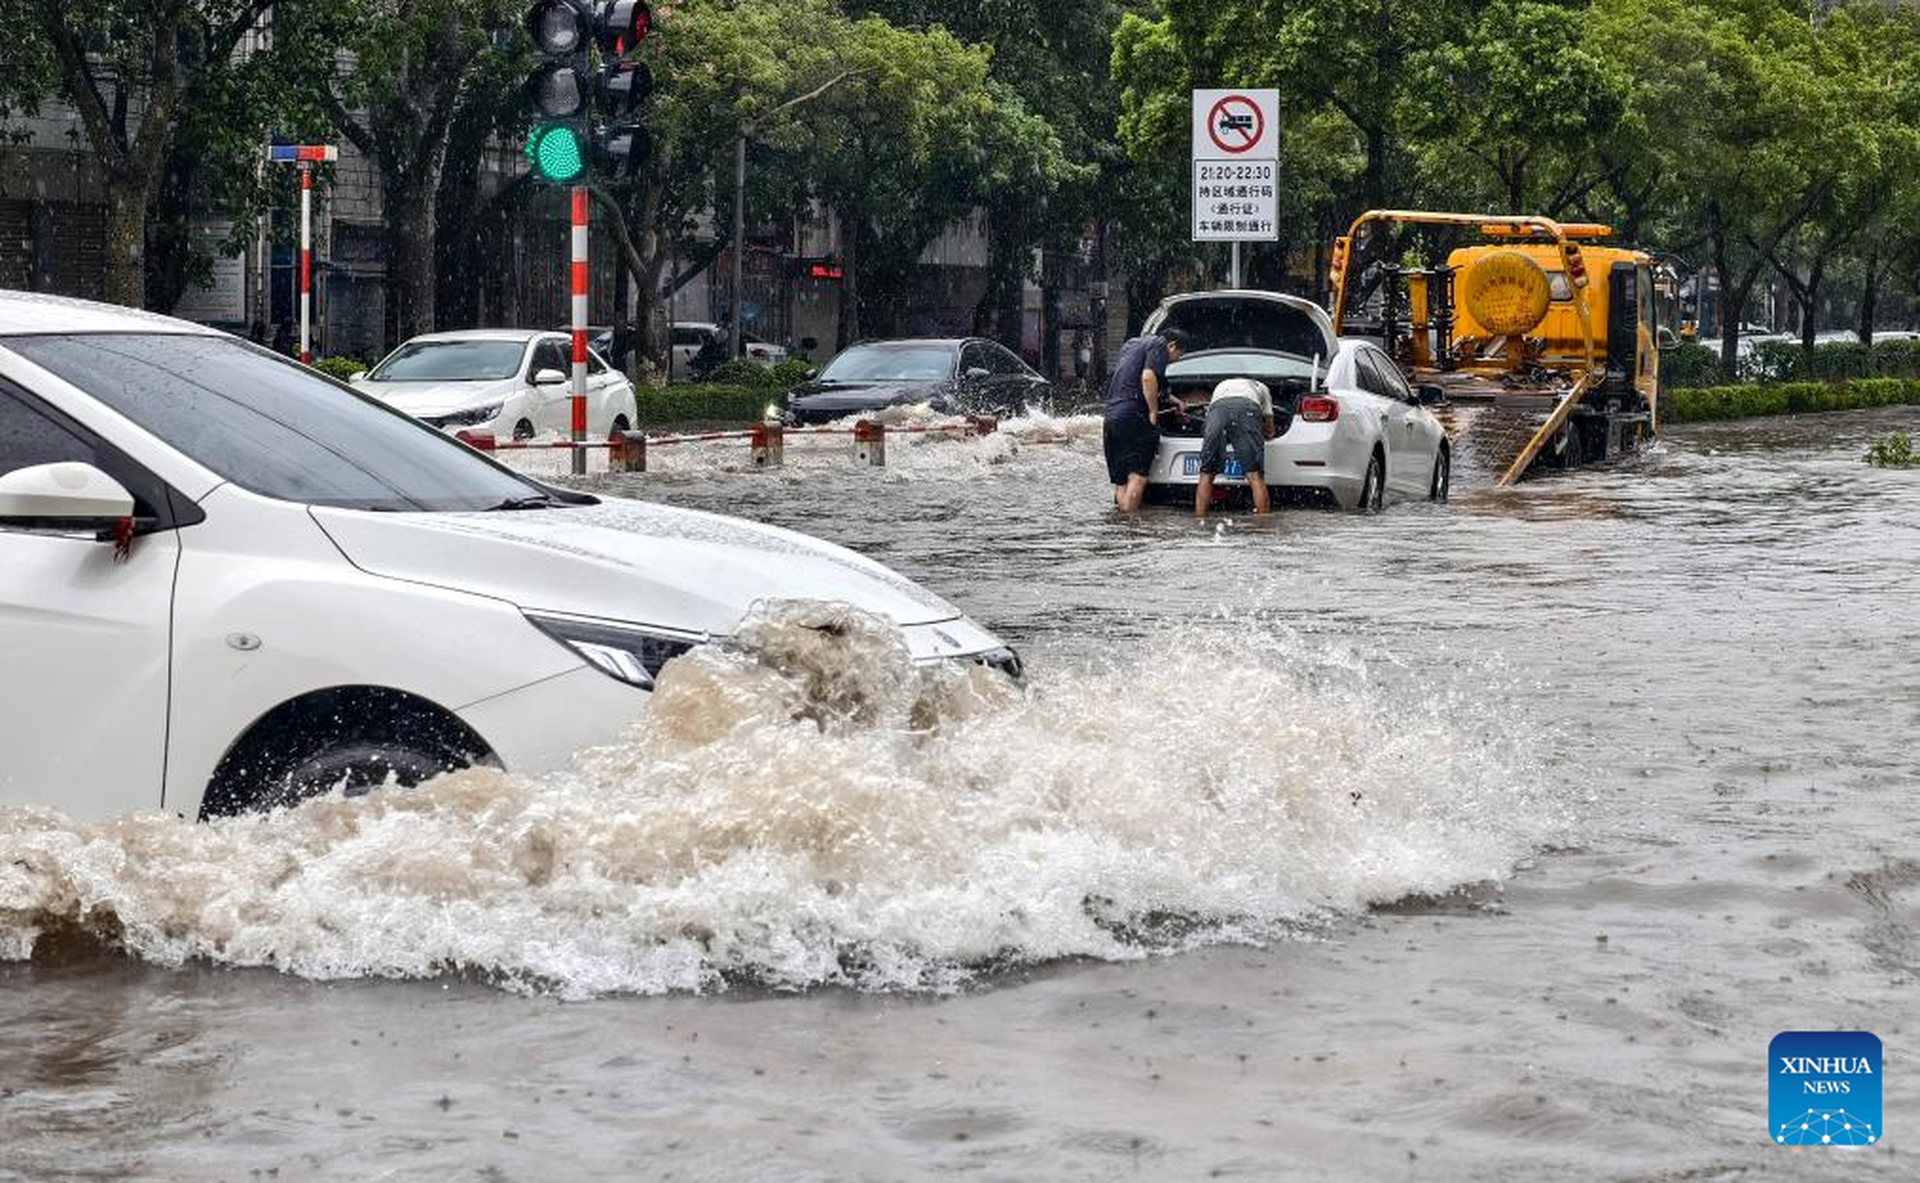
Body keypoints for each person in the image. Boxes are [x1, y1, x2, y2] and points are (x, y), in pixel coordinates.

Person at [1102, 327, 1190, 512]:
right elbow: (1148, 378)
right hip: (1134, 415)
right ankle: (1131, 529)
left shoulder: (1132, 344)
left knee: (1122, 480)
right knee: (1138, 476)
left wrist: (1176, 401)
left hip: (1112, 416)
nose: (1177, 360)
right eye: (1179, 355)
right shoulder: (1158, 345)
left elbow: (1138, 378)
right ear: (1172, 345)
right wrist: (1152, 412)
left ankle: (1123, 526)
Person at [1193, 376, 1274, 517]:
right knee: (1255, 476)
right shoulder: (1262, 388)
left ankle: (1200, 521)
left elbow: (1207, 425)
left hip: (1217, 409)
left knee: (1206, 473)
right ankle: (1263, 524)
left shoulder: (1221, 385)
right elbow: (1269, 428)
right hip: (1247, 408)